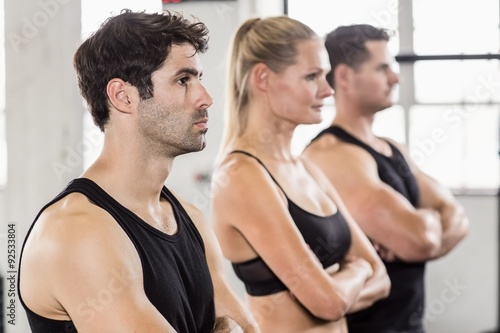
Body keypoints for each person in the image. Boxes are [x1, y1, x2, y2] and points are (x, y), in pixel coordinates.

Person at [18, 9, 259, 333]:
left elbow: (249, 328)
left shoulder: (191, 220)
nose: (206, 98)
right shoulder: (76, 232)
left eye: (198, 78)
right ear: (123, 96)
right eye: (183, 80)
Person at [210, 16, 391, 333]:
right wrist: (357, 269)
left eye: (325, 75)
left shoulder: (305, 166)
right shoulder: (241, 175)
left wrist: (348, 278)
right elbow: (328, 303)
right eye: (312, 77)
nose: (328, 90)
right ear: (263, 78)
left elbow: (381, 278)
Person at [302, 24, 469, 332]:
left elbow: (457, 217)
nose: (396, 77)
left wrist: (422, 231)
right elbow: (419, 240)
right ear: (345, 78)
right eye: (382, 68)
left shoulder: (393, 148)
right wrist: (426, 226)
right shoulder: (332, 155)